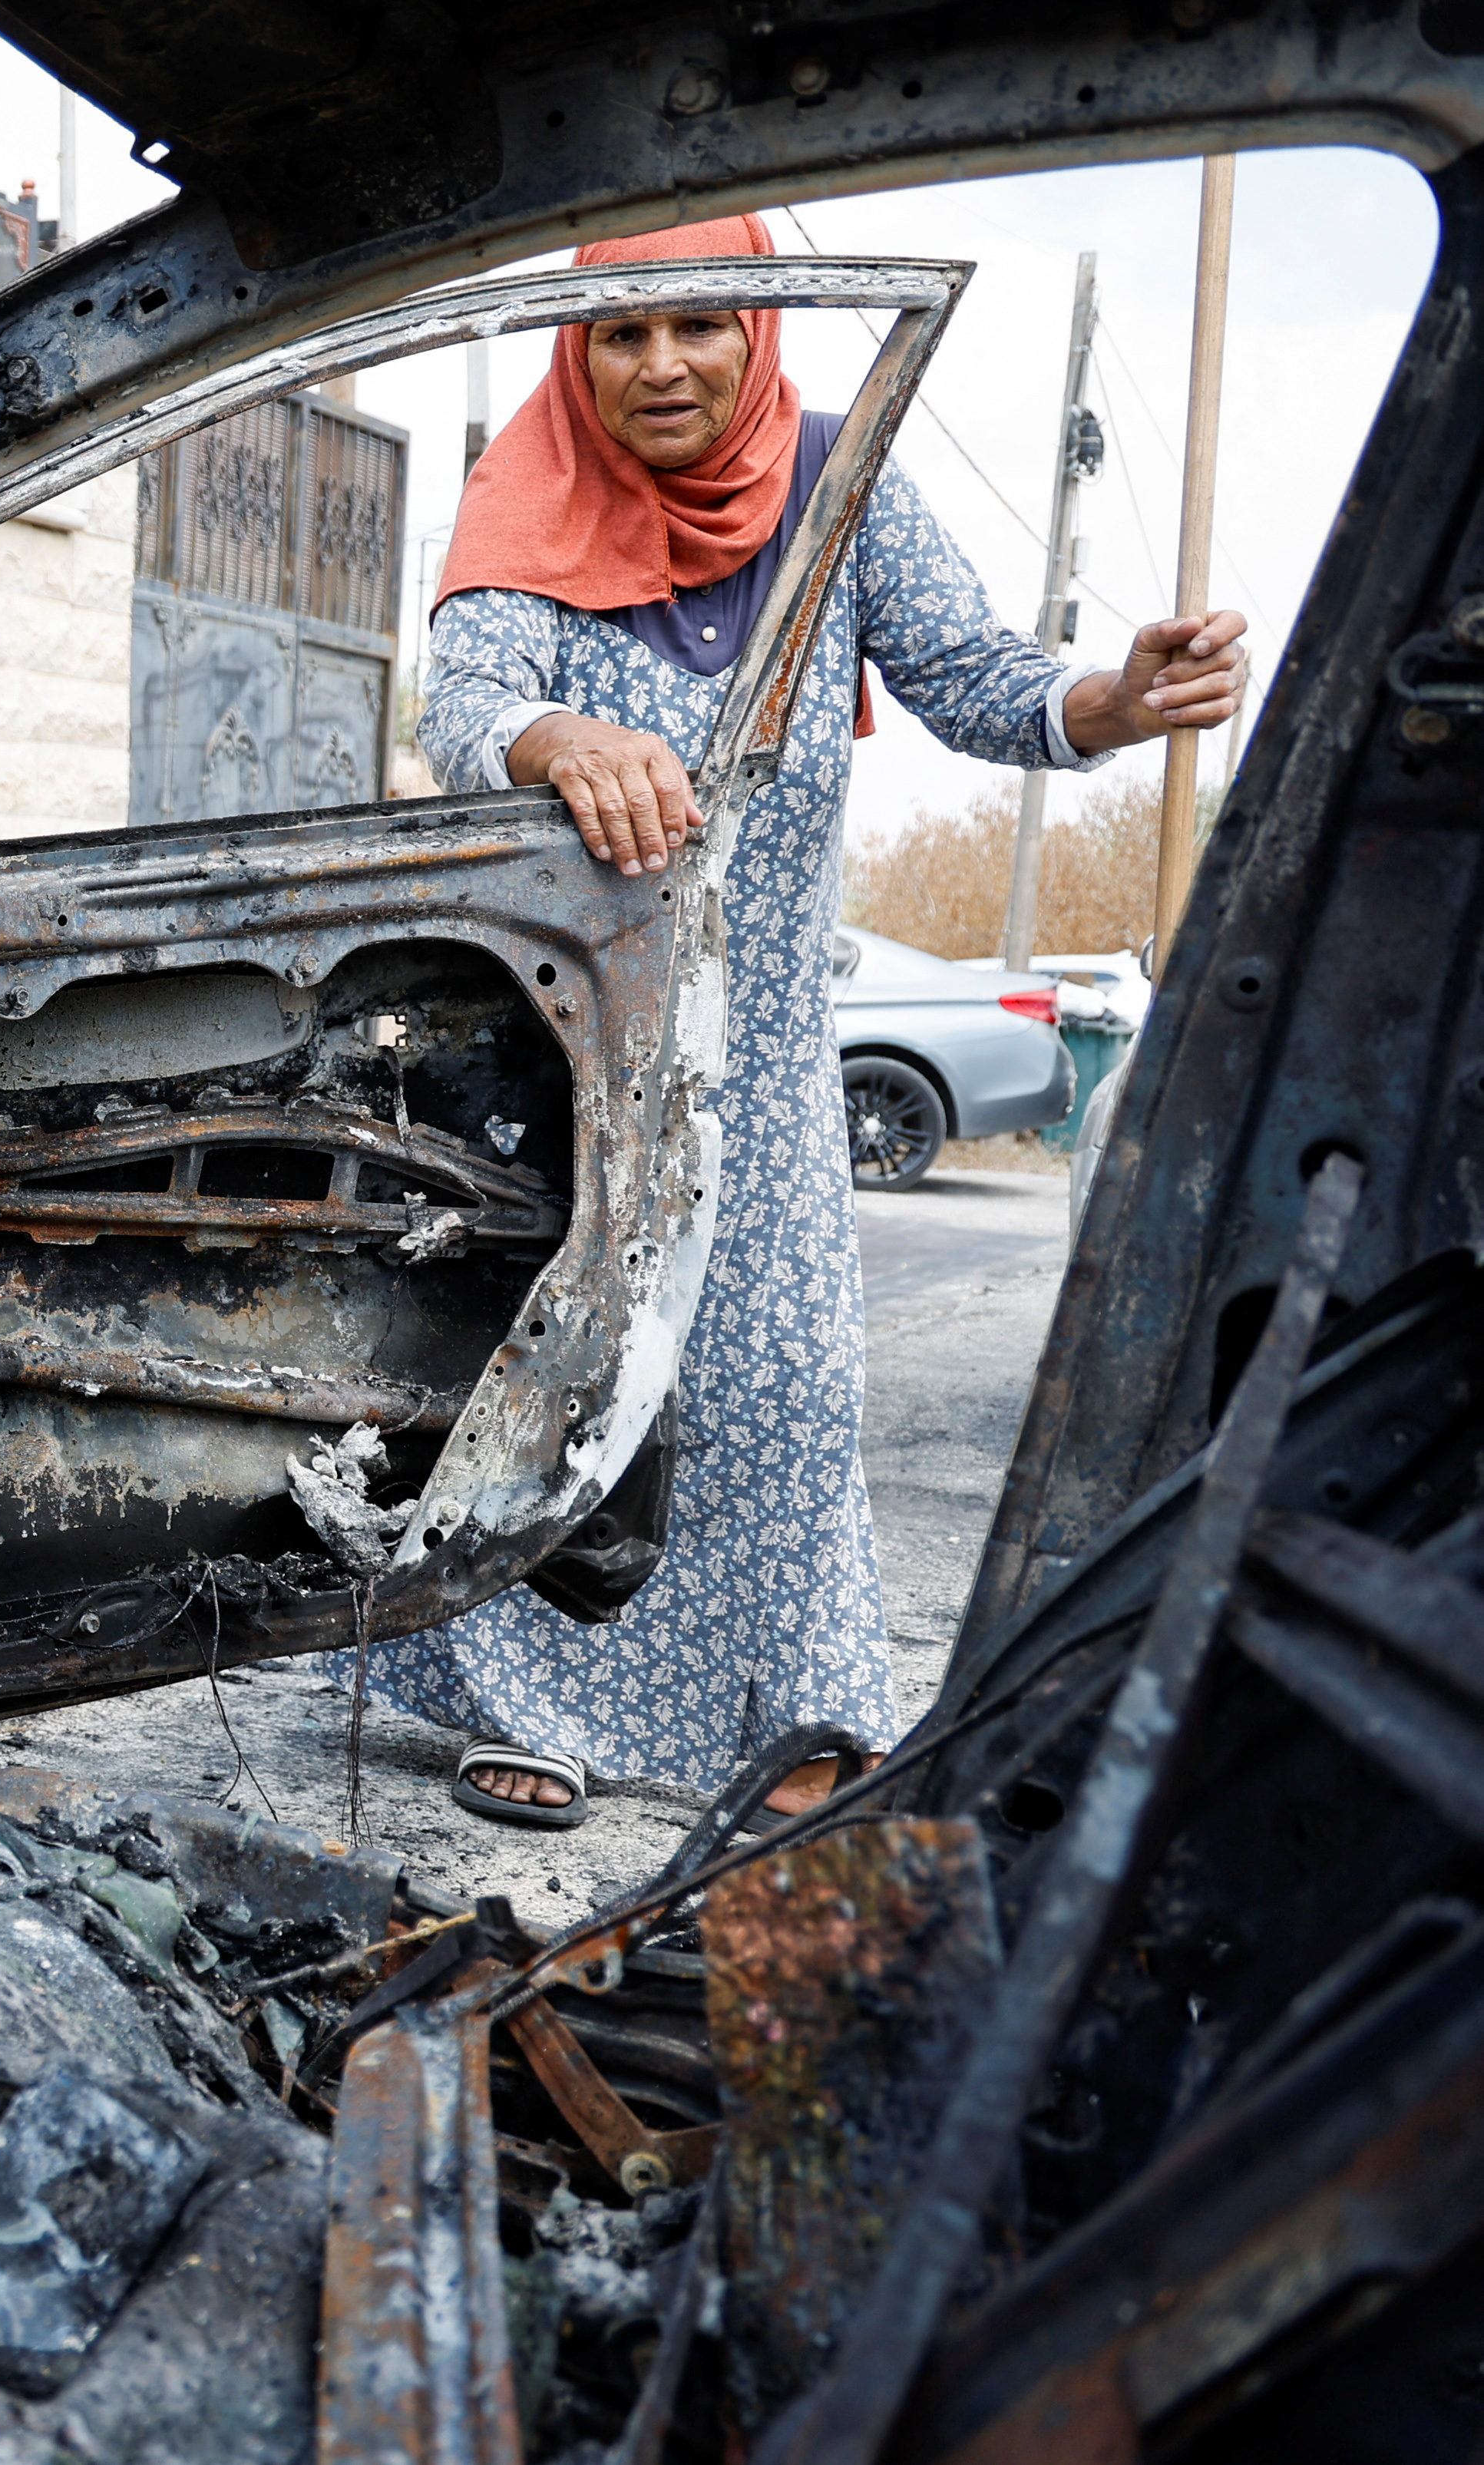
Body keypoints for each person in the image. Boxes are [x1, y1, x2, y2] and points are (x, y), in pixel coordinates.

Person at [376, 215, 1250, 1829]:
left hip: (759, 1042)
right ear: (581, 350)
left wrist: (1117, 699)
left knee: (783, 1380)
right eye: (621, 334)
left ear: (756, 331)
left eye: (698, 326)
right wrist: (553, 734)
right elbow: (462, 707)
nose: (658, 366)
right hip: (552, 1044)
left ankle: (801, 1712)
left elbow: (981, 683)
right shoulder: (527, 477)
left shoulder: (836, 482)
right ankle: (526, 1702)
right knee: (544, 1361)